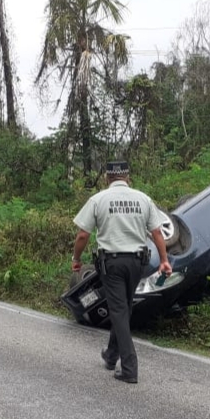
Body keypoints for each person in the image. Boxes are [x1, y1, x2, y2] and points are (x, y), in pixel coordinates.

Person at [70, 161, 172, 384]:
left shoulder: (98, 199)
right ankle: (111, 355)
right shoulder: (143, 199)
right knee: (124, 308)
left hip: (112, 263)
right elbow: (157, 233)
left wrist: (77, 259)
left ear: (108, 178)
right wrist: (164, 260)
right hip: (138, 262)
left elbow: (82, 236)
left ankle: (129, 368)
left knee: (118, 310)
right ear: (127, 177)